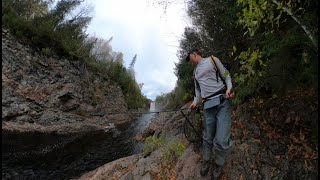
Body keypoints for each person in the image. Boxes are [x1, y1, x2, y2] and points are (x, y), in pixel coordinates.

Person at [186, 49, 234, 179]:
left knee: (222, 139)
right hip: (207, 106)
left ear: (194, 54)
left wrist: (229, 88)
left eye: (188, 58)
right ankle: (206, 160)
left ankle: (218, 164)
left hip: (222, 102)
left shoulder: (213, 59)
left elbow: (226, 75)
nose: (189, 61)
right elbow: (197, 91)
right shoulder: (195, 72)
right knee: (207, 137)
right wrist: (195, 102)